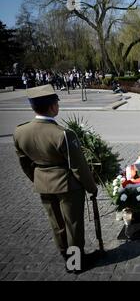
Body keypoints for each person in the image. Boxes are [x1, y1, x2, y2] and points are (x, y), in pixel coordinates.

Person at [13, 85, 101, 274]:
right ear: (53, 107)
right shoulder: (62, 134)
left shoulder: (20, 132)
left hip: (43, 185)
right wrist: (91, 187)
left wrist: (38, 178)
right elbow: (79, 167)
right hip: (67, 186)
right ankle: (76, 264)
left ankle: (66, 256)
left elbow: (25, 164)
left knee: (57, 224)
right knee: (73, 226)